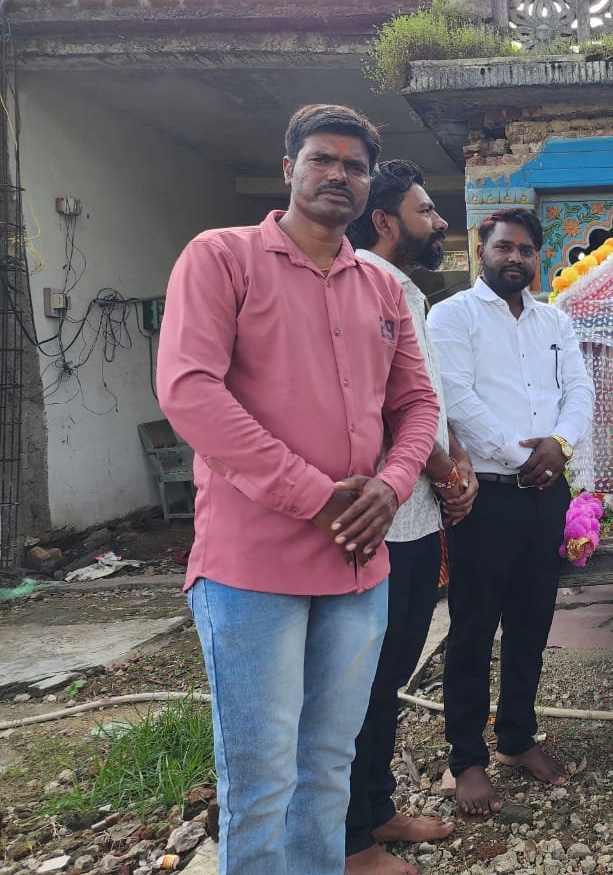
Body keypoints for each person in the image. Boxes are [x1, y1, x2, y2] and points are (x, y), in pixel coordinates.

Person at [156, 105, 440, 875]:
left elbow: (417, 404)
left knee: (326, 768)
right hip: (254, 566)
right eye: (322, 159)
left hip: (357, 565)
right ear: (289, 169)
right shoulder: (222, 258)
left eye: (353, 165)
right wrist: (318, 497)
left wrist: (390, 485)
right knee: (260, 779)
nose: (337, 174)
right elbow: (189, 391)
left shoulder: (378, 289)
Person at [427, 208, 594, 817]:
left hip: (548, 492)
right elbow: (457, 397)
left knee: (532, 623)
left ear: (537, 257)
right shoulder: (451, 317)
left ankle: (517, 738)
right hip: (488, 494)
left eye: (526, 250)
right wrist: (518, 454)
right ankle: (466, 759)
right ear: (482, 248)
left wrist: (561, 446)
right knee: (473, 629)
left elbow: (580, 389)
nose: (515, 258)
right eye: (504, 247)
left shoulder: (554, 320)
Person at [343, 160, 480, 875]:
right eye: (427, 212)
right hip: (388, 522)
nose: (441, 222)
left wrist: (454, 470)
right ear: (388, 222)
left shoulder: (403, 289)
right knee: (365, 679)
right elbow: (394, 405)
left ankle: (377, 809)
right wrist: (445, 472)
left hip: (419, 516)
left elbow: (431, 397)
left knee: (391, 673)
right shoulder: (368, 286)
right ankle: (351, 842)